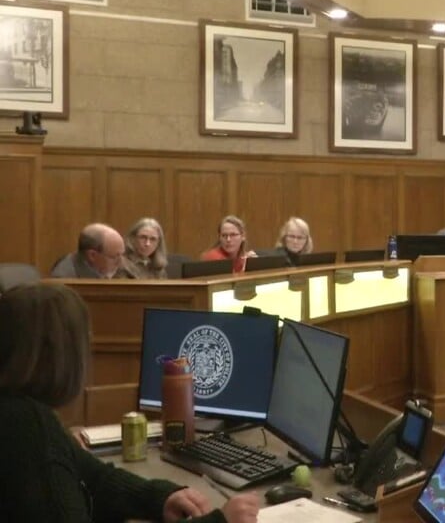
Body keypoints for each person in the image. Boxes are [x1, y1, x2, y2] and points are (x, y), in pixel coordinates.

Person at [0, 283, 260, 522]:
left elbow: (93, 477)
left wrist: (158, 497)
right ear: (58, 356)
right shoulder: (25, 426)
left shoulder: (23, 410)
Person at [50, 223, 126, 279]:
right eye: (114, 257)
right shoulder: (65, 279)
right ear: (92, 255)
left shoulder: (122, 270)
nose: (121, 263)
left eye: (122, 255)